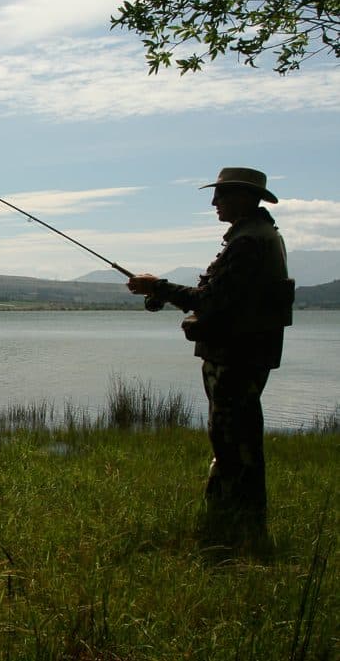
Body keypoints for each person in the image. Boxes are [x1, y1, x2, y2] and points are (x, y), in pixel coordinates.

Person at [126, 167, 293, 548]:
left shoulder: (249, 242)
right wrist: (162, 292)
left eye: (222, 195)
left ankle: (234, 529)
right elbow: (224, 298)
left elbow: (214, 302)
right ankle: (235, 525)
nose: (214, 202)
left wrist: (160, 287)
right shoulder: (257, 236)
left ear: (245, 198)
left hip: (236, 358)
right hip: (242, 355)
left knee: (234, 443)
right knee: (234, 440)